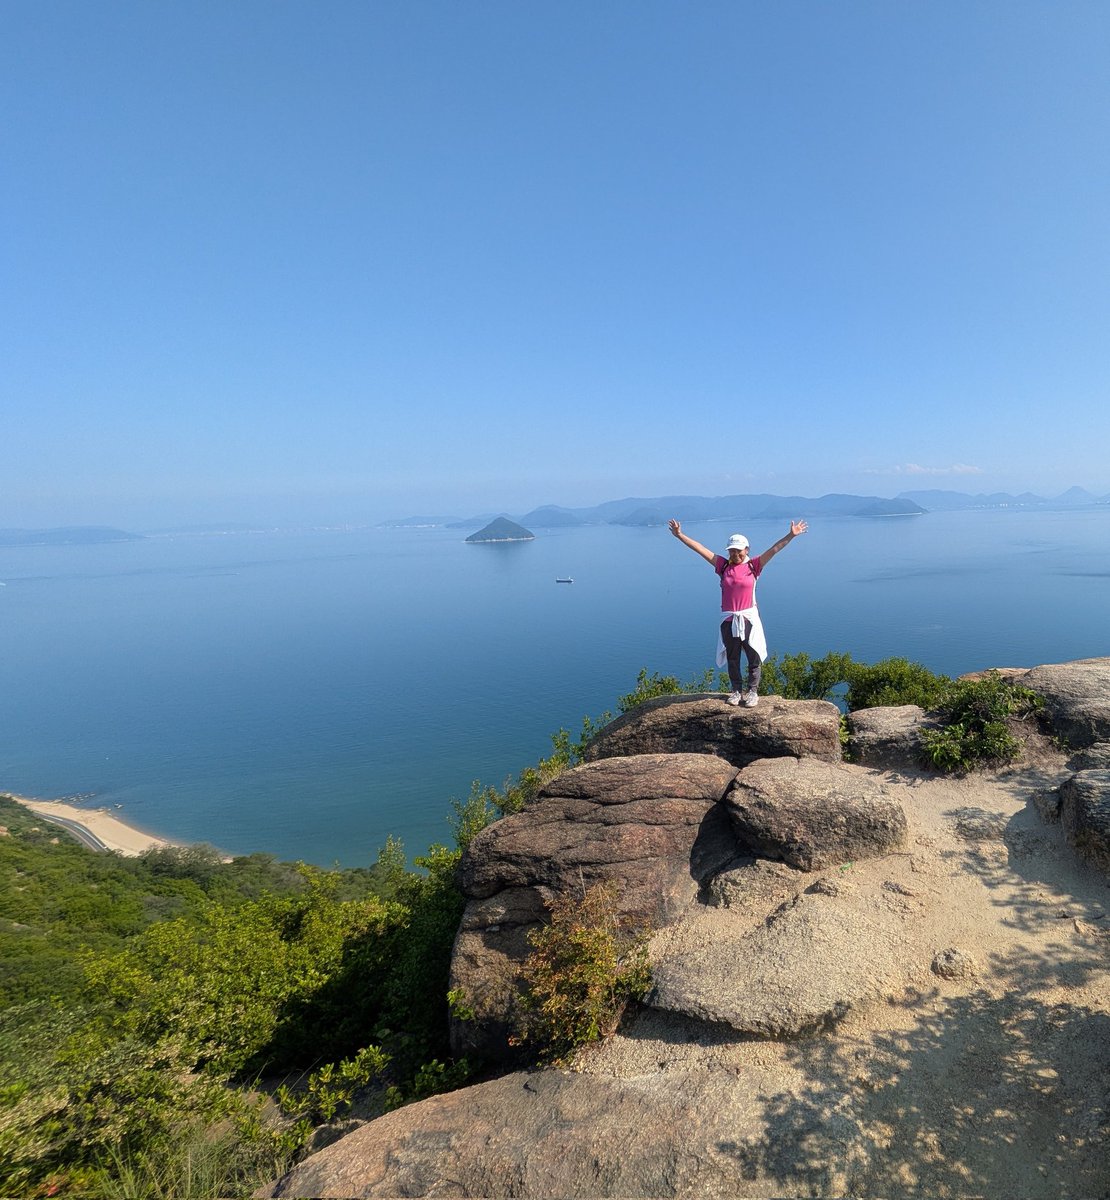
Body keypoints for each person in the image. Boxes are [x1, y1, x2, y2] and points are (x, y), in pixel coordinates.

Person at [667, 518, 808, 707]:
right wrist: (679, 535)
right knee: (733, 658)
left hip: (748, 617)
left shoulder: (754, 566)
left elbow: (774, 549)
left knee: (753, 656)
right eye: (732, 550)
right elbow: (700, 549)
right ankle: (735, 691)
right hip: (728, 619)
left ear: (746, 550)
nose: (735, 554)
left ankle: (752, 691)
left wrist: (791, 535)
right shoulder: (723, 566)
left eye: (738, 550)